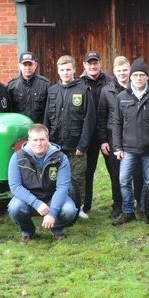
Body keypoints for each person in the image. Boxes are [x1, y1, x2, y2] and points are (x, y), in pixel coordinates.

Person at [112, 58, 149, 226]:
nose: (138, 78)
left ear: (147, 77)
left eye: (142, 75)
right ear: (131, 77)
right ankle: (128, 211)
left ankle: (144, 210)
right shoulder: (122, 97)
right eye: (135, 75)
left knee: (148, 181)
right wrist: (117, 146)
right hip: (128, 148)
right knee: (123, 180)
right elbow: (116, 123)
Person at [44, 55, 96, 218]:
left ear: (74, 70)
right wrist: (46, 144)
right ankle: (56, 206)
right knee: (54, 177)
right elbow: (46, 119)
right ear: (58, 71)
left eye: (68, 69)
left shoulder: (83, 91)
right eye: (62, 70)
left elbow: (89, 120)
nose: (65, 73)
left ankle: (78, 207)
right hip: (55, 146)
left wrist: (83, 145)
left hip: (76, 146)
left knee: (78, 177)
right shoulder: (52, 91)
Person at [7, 124, 78, 242]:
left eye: (42, 139)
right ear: (29, 140)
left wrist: (52, 213)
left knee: (69, 210)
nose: (38, 143)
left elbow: (62, 188)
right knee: (14, 208)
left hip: (52, 197)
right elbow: (15, 186)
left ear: (48, 140)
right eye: (35, 140)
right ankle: (28, 231)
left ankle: (56, 228)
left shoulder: (61, 158)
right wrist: (36, 203)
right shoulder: (17, 157)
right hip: (29, 200)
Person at [97, 56, 142, 218]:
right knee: (116, 174)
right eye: (119, 70)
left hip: (133, 136)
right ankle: (118, 204)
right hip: (112, 138)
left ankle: (138, 202)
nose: (122, 73)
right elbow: (101, 116)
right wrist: (102, 140)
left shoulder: (137, 87)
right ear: (113, 72)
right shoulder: (107, 90)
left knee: (137, 172)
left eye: (125, 70)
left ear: (129, 70)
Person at [79, 51, 111, 218]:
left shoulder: (110, 82)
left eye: (95, 62)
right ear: (84, 65)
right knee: (87, 171)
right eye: (89, 63)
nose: (93, 66)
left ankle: (118, 204)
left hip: (107, 134)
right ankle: (86, 205)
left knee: (115, 170)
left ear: (100, 63)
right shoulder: (78, 84)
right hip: (88, 135)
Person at [7, 51, 51, 123]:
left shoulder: (45, 84)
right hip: (18, 128)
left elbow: (50, 110)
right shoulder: (11, 86)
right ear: (20, 66)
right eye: (25, 65)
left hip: (38, 129)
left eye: (30, 64)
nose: (27, 67)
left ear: (35, 65)